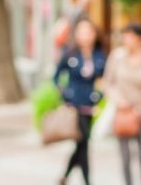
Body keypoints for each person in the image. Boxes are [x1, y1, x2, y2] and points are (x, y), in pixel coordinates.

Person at [53, 18, 107, 185]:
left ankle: (65, 176)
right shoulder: (70, 54)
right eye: (81, 31)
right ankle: (87, 181)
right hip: (73, 105)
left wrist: (100, 96)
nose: (85, 36)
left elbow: (107, 79)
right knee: (83, 143)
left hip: (89, 105)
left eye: (88, 31)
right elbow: (55, 77)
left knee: (81, 144)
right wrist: (64, 94)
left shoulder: (100, 55)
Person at [104, 23, 141, 185]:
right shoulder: (117, 56)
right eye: (124, 35)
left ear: (140, 39)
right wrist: (118, 100)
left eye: (130, 36)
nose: (126, 39)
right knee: (125, 156)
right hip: (124, 114)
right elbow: (107, 83)